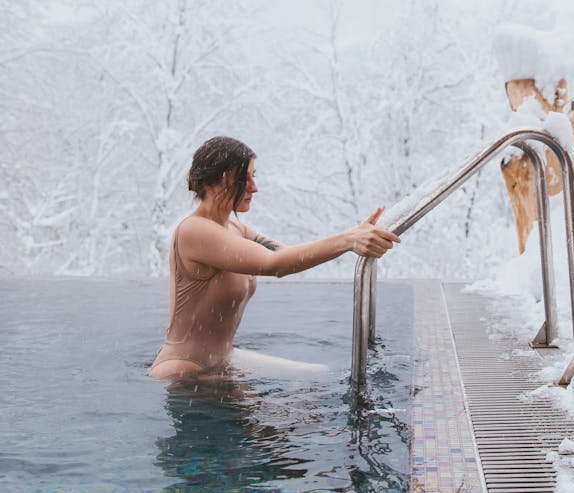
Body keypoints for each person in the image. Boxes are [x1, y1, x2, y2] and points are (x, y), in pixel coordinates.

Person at [150, 136, 399, 379]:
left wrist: (353, 234)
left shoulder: (234, 229)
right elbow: (275, 266)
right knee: (286, 416)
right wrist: (348, 240)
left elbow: (284, 255)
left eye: (253, 177)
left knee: (318, 378)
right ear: (216, 182)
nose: (254, 188)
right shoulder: (195, 231)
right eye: (243, 179)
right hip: (186, 370)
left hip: (222, 359)